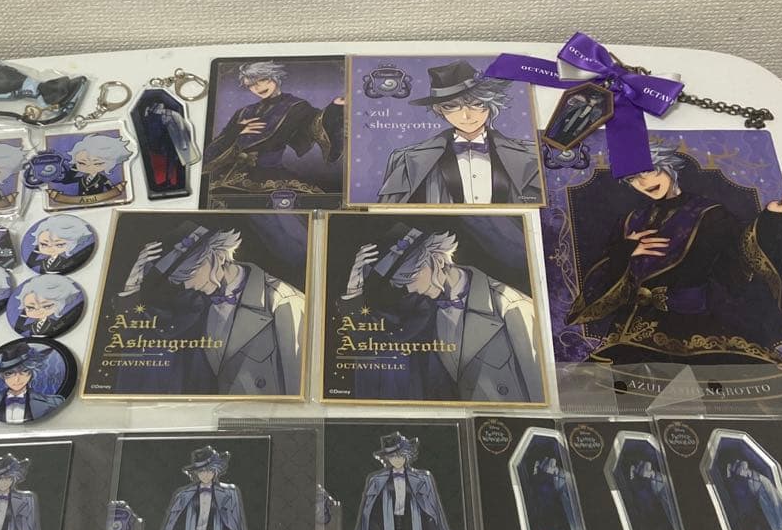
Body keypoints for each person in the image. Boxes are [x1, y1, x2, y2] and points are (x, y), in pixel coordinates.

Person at [568, 143, 782, 389]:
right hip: (632, 326)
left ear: (668, 166)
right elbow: (604, 274)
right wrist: (625, 251)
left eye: (648, 171)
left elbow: (742, 255)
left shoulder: (711, 214)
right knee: (598, 389)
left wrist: (770, 218)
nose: (642, 182)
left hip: (694, 323)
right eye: (632, 178)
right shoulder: (632, 220)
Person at [342, 225, 542, 402]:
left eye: (410, 277)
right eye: (401, 284)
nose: (410, 289)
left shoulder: (512, 306)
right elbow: (370, 338)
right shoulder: (424, 307)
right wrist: (353, 289)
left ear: (437, 260)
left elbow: (540, 392)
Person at [121, 223, 305, 395]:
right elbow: (144, 334)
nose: (187, 285)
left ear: (217, 255)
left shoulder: (284, 302)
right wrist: (132, 287)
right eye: (179, 281)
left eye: (189, 273)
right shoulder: (195, 303)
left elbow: (298, 391)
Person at [378, 61, 541, 204]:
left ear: (491, 103)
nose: (466, 116)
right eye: (451, 106)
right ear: (439, 109)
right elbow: (387, 215)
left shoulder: (532, 155)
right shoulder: (406, 159)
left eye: (477, 104)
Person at [203, 60, 345, 198]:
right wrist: (236, 131)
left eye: (262, 80)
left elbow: (316, 124)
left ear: (275, 77)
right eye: (251, 85)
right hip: (228, 175)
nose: (257, 88)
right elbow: (216, 146)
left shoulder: (297, 106)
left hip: (270, 174)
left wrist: (334, 108)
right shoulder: (244, 112)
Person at [0, 342, 64, 423]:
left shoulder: (53, 403)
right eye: (9, 373)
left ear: (32, 373)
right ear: (2, 376)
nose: (17, 379)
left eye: (24, 371)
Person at [51, 133, 132, 196]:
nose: (89, 167)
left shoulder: (102, 179)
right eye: (82, 163)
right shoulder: (81, 178)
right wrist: (72, 168)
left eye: (97, 163)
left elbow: (111, 189)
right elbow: (67, 181)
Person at [12, 274, 80, 336]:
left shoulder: (57, 324)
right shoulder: (30, 326)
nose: (38, 311)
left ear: (60, 303)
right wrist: (23, 315)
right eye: (31, 307)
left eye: (46, 306)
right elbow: (19, 328)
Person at [25, 215, 95, 273]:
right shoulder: (44, 261)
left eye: (59, 245)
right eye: (44, 244)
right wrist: (38, 248)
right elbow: (31, 262)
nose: (50, 248)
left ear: (72, 244)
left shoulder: (66, 262)